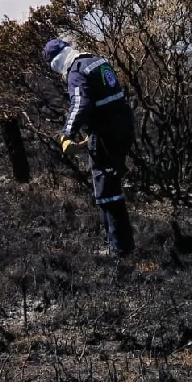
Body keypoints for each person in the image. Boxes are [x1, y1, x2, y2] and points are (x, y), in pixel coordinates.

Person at [43, 38, 136, 257]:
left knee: (106, 191)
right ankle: (124, 244)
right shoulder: (97, 61)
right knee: (113, 180)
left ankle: (119, 249)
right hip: (123, 127)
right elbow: (108, 98)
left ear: (56, 62)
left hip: (105, 135)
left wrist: (67, 133)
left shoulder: (76, 71)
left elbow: (80, 103)